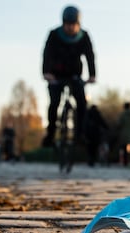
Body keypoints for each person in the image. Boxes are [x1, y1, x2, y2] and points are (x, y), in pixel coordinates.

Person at [42, 5, 96, 147]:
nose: (70, 28)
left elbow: (90, 56)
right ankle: (51, 133)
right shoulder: (54, 35)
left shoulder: (84, 36)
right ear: (63, 23)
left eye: (73, 25)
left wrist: (92, 75)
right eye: (68, 24)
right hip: (56, 74)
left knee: (82, 103)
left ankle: (80, 135)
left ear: (78, 24)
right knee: (54, 103)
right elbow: (47, 54)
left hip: (74, 74)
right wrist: (47, 73)